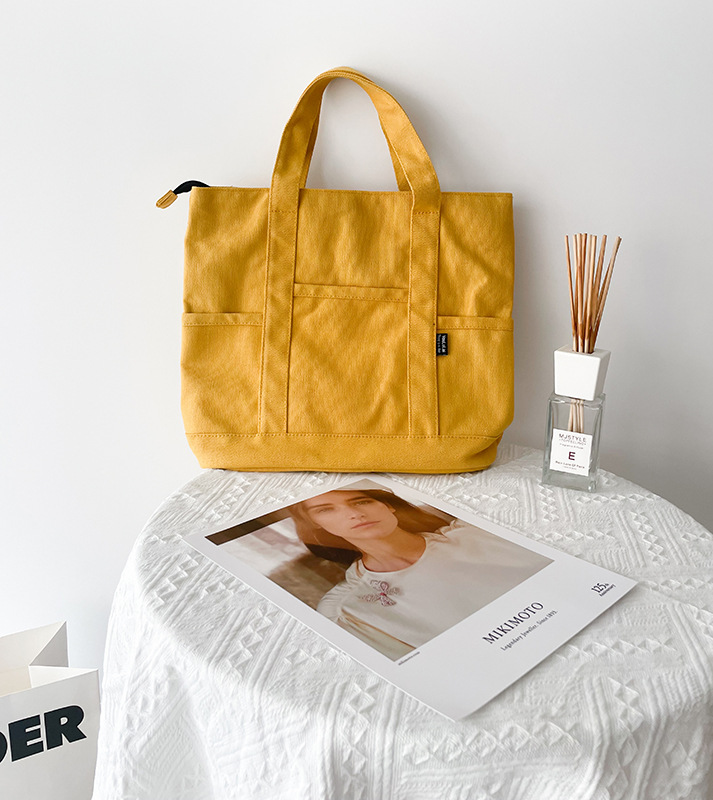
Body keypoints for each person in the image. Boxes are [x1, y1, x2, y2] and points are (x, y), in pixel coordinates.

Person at [287, 489, 551, 660]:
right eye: (326, 509)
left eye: (362, 501)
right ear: (316, 525)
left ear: (388, 506)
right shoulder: (347, 612)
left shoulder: (479, 533)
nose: (355, 514)